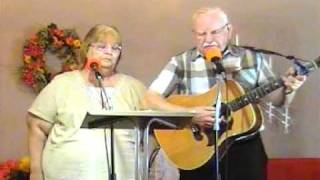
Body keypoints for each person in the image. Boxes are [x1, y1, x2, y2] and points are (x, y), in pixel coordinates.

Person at [144, 7, 307, 180]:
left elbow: (277, 100)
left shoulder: (251, 59)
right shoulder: (181, 62)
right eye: (201, 34)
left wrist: (289, 89)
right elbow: (149, 99)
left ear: (228, 31)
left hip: (244, 148)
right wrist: (190, 115)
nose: (208, 40)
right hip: (198, 149)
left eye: (214, 32)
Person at [27, 24, 146, 180]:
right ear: (87, 49)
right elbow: (36, 125)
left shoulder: (134, 87)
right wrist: (35, 170)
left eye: (115, 48)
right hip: (67, 174)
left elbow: (156, 127)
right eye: (102, 47)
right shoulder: (63, 84)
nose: (109, 52)